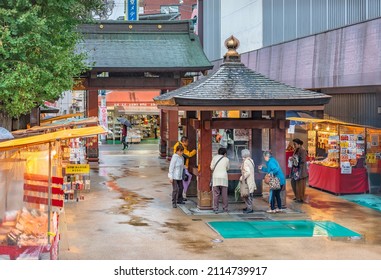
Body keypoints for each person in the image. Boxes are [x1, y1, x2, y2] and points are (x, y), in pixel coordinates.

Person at [173, 136, 197, 201]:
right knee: (181, 184)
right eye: (187, 142)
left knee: (181, 184)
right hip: (181, 167)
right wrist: (195, 151)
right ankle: (179, 198)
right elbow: (188, 155)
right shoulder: (181, 147)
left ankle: (180, 197)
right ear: (184, 141)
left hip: (181, 167)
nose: (188, 143)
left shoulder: (178, 145)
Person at [210, 147, 230, 213]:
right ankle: (225, 208)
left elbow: (211, 167)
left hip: (216, 177)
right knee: (224, 194)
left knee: (216, 194)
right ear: (225, 153)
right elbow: (228, 168)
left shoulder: (214, 158)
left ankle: (215, 208)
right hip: (224, 177)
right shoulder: (226, 159)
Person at [291, 138, 308, 203]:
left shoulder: (302, 151)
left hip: (300, 170)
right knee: (293, 183)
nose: (294, 145)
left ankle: (300, 198)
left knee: (300, 185)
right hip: (296, 170)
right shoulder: (296, 150)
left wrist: (295, 160)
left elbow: (303, 160)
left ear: (299, 144)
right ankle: (297, 196)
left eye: (295, 144)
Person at [240, 149, 257, 213]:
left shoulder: (246, 162)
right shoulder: (251, 160)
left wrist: (242, 178)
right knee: (249, 194)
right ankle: (248, 207)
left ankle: (249, 209)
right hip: (251, 180)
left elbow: (247, 172)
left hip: (247, 181)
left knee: (247, 195)